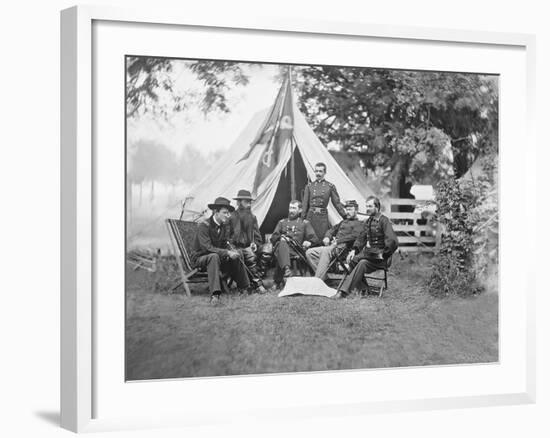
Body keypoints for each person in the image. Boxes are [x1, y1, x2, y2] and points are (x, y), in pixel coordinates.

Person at [335, 196, 398, 298]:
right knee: (361, 262)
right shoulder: (369, 221)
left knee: (355, 260)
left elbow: (393, 241)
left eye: (370, 206)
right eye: (366, 206)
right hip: (371, 257)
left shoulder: (384, 221)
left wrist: (384, 254)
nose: (367, 208)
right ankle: (363, 290)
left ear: (377, 207)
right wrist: (354, 250)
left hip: (381, 258)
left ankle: (343, 292)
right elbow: (361, 238)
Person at [190, 197, 250, 303]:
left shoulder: (223, 227)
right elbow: (207, 248)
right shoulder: (204, 226)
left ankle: (244, 287)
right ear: (215, 212)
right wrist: (227, 252)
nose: (228, 215)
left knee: (237, 253)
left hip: (216, 257)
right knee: (214, 256)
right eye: (225, 213)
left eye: (228, 213)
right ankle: (215, 295)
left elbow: (225, 243)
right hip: (200, 258)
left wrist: (232, 250)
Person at [305, 200, 364, 280]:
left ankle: (317, 280)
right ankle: (324, 278)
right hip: (333, 247)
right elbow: (332, 229)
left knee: (326, 251)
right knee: (309, 252)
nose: (347, 212)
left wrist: (338, 241)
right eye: (347, 209)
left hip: (343, 249)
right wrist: (327, 237)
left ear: (356, 211)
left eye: (350, 209)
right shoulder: (343, 222)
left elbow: (354, 236)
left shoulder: (359, 223)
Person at [229, 189, 267, 293]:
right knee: (245, 254)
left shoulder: (252, 218)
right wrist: (232, 248)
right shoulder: (231, 217)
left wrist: (255, 243)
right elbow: (226, 237)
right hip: (234, 248)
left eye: (250, 202)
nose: (249, 205)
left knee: (252, 253)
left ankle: (257, 284)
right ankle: (253, 284)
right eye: (246, 202)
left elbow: (258, 237)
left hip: (248, 247)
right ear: (238, 202)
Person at [270, 200, 319, 281]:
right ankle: (287, 269)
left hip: (296, 250)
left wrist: (309, 242)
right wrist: (280, 238)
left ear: (300, 210)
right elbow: (273, 238)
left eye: (294, 208)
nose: (291, 211)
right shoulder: (282, 222)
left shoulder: (304, 223)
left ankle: (278, 280)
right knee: (282, 243)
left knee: (281, 248)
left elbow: (315, 238)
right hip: (282, 248)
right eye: (290, 208)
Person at [301, 162, 347, 241]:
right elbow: (304, 204)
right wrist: (302, 219)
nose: (318, 173)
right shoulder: (309, 186)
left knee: (321, 239)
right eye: (316, 171)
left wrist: (345, 216)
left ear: (325, 172)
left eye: (320, 171)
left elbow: (337, 203)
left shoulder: (330, 186)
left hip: (322, 217)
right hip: (311, 216)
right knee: (310, 239)